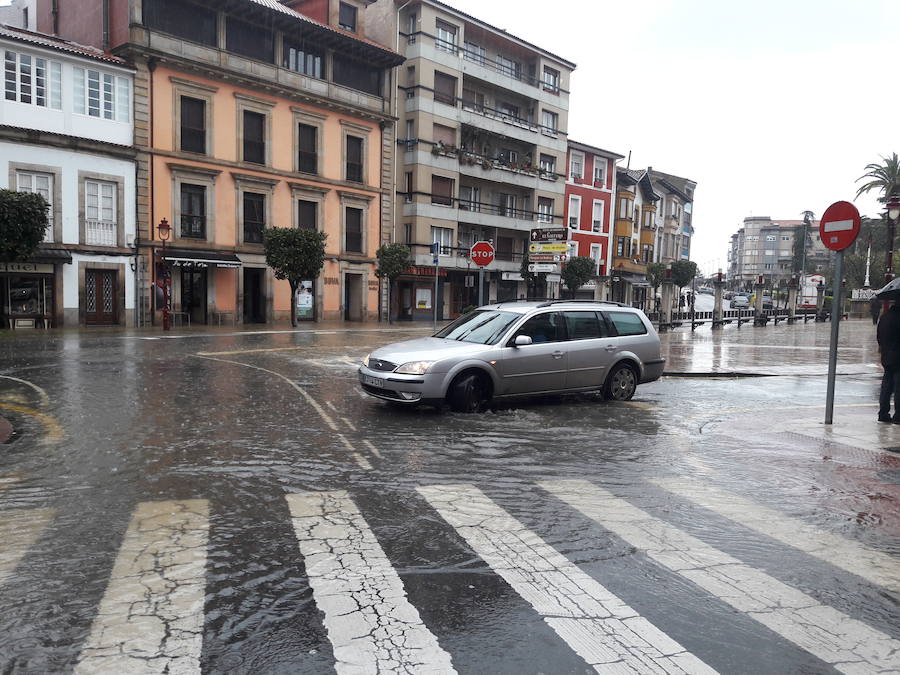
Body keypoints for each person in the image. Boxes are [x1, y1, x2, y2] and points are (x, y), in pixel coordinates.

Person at [876, 301, 900, 422]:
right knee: (898, 387)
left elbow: (878, 336)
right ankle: (898, 416)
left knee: (886, 386)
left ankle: (883, 413)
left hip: (886, 357)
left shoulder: (885, 317)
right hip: (898, 356)